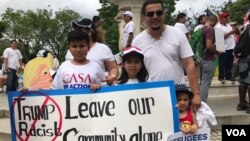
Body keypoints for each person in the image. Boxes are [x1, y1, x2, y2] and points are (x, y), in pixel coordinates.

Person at [132, 0, 200, 111]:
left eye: (159, 13)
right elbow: (134, 70)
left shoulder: (177, 34)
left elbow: (189, 64)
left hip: (178, 94)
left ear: (164, 14)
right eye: (150, 14)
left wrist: (196, 94)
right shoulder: (137, 41)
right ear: (143, 18)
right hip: (151, 96)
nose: (155, 16)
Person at [71, 18, 119, 85]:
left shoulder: (103, 49)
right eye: (77, 30)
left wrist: (112, 77)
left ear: (89, 31)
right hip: (75, 92)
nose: (77, 32)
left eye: (80, 29)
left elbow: (113, 68)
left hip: (98, 91)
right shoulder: (70, 50)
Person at [199, 15, 219, 103]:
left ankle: (199, 104)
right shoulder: (210, 29)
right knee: (205, 84)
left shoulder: (201, 29)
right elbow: (209, 45)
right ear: (214, 21)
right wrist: (217, 52)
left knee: (202, 83)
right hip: (209, 59)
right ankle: (203, 107)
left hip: (201, 59)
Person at [215, 11, 236, 83]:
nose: (227, 18)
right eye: (225, 17)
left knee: (229, 62)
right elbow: (219, 38)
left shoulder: (228, 25)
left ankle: (228, 75)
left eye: (227, 17)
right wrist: (230, 33)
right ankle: (221, 76)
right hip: (223, 47)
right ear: (221, 18)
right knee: (222, 63)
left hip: (231, 47)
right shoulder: (217, 27)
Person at [236, 10, 250, 113]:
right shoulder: (247, 30)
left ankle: (242, 104)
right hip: (247, 59)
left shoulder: (246, 30)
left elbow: (238, 47)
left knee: (243, 81)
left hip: (244, 59)